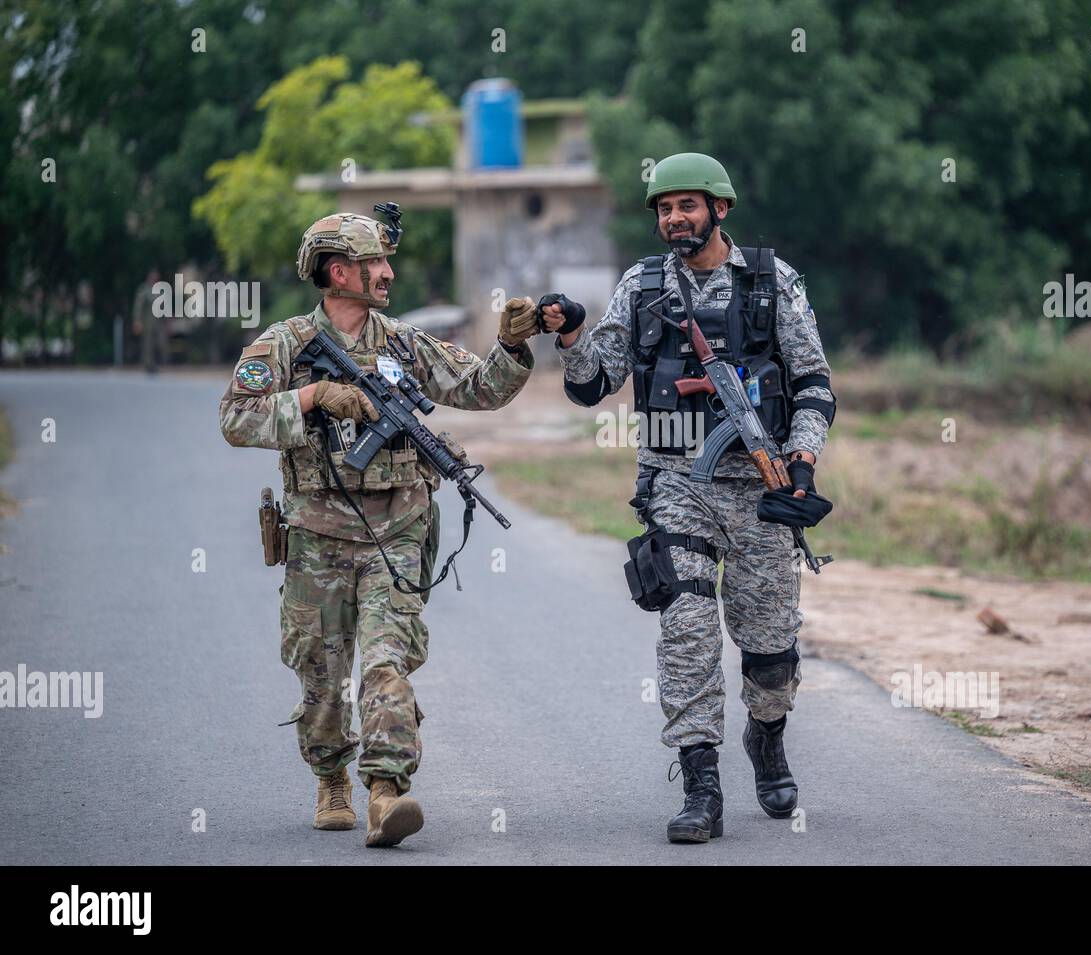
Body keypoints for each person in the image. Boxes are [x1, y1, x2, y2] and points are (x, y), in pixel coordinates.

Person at [219, 208, 540, 847]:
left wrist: (511, 345)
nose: (388, 274)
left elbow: (480, 388)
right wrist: (311, 399)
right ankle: (330, 775)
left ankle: (386, 791)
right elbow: (235, 418)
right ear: (338, 273)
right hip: (315, 538)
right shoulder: (283, 344)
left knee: (386, 661)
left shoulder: (404, 343)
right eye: (376, 265)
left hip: (396, 532)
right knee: (321, 673)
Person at [544, 153, 836, 843]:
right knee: (687, 630)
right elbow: (594, 383)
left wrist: (801, 460)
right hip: (677, 485)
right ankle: (701, 782)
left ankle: (767, 738)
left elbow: (815, 380)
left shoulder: (771, 281)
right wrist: (571, 334)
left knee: (769, 651)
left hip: (761, 491)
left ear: (719, 209)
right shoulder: (642, 286)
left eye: (687, 205)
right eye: (664, 208)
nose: (674, 217)